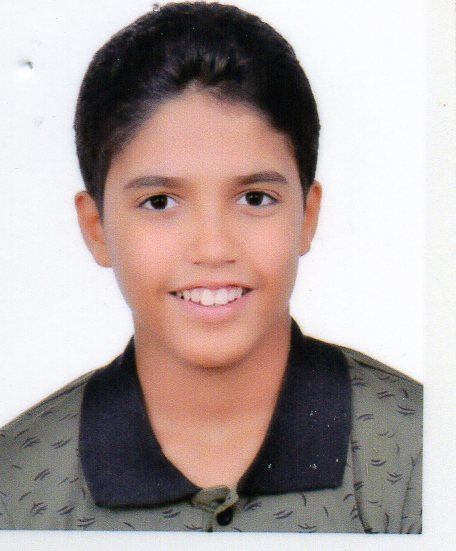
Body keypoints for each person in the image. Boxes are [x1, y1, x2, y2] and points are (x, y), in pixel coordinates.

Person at [0, 1, 422, 533]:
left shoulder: (420, 455)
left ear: (307, 216)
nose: (213, 248)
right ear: (97, 227)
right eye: (160, 203)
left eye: (255, 198)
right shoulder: (16, 487)